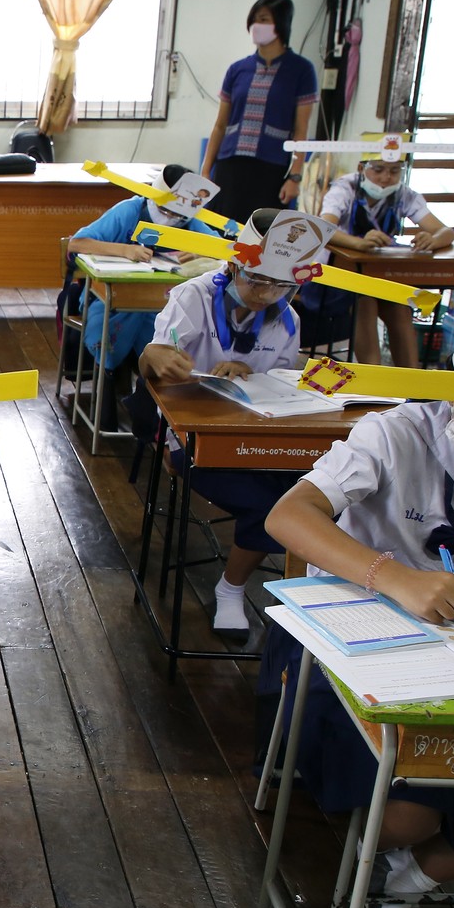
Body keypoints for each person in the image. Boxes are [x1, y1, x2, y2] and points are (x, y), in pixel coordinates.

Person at [264, 401, 454, 908]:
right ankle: (403, 863)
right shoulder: (395, 435)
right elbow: (288, 517)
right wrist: (394, 577)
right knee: (409, 819)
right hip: (360, 644)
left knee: (422, 816)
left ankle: (412, 881)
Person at [137, 209, 304, 637]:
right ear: (232, 266)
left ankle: (305, 589)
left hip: (257, 430)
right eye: (257, 281)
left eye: (280, 285)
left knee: (306, 491)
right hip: (189, 435)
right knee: (270, 504)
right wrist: (157, 359)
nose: (266, 294)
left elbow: (282, 383)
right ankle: (232, 590)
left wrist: (254, 374)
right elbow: (155, 357)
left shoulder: (288, 320)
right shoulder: (194, 297)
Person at [67, 164, 221, 423]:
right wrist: (123, 250)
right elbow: (77, 243)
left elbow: (223, 251)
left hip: (161, 306)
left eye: (178, 216)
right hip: (110, 303)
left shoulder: (190, 222)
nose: (171, 219)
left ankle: (153, 410)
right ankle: (107, 395)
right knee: (111, 330)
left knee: (171, 338)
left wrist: (199, 252)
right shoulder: (130, 211)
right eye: (164, 211)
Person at [318, 147, 454, 367]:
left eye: (394, 171)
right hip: (337, 277)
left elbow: (445, 231)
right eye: (378, 169)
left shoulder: (403, 194)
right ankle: (373, 377)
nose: (385, 178)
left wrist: (433, 240)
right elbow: (323, 227)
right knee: (365, 301)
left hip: (378, 275)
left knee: (400, 306)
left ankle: (411, 382)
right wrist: (358, 243)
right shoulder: (345, 189)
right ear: (362, 168)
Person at [200, 0, 319, 222]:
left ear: (281, 23)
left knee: (259, 236)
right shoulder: (238, 69)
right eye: (254, 20)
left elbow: (301, 130)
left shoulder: (301, 70)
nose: (256, 25)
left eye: (263, 19)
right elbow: (220, 125)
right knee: (221, 231)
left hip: (271, 169)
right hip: (230, 165)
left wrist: (295, 176)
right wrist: (206, 170)